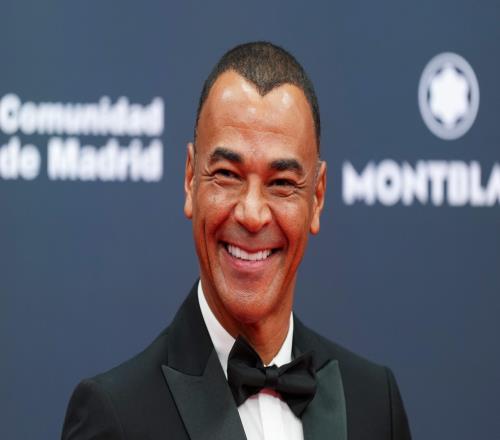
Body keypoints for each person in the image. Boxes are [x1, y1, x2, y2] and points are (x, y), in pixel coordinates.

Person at [62, 41, 411, 440]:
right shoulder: (116, 415)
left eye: (281, 183)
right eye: (227, 175)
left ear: (317, 197)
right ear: (191, 179)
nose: (252, 213)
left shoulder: (374, 403)